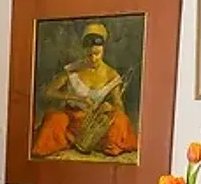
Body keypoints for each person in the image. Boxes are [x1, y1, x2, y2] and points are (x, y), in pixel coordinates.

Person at [32, 22, 139, 158]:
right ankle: (70, 140)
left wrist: (110, 107)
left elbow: (119, 106)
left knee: (120, 120)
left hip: (96, 124)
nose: (93, 59)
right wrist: (78, 98)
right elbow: (49, 92)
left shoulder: (111, 75)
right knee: (55, 119)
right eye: (89, 55)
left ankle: (97, 143)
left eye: (97, 54)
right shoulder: (72, 70)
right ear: (83, 51)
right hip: (72, 119)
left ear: (103, 51)